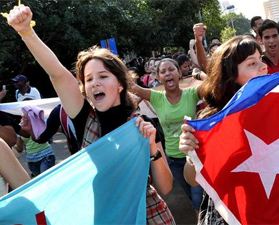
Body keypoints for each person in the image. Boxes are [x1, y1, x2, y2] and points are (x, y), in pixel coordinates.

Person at [7, 5, 174, 224]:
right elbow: (58, 75)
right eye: (88, 79)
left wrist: (152, 149)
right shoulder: (86, 119)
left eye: (103, 76)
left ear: (120, 84)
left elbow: (166, 186)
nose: (95, 83)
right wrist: (26, 32)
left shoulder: (141, 125)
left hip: (148, 216)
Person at [179, 35, 268, 224]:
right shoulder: (211, 122)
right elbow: (193, 180)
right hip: (228, 216)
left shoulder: (278, 110)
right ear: (231, 75)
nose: (263, 67)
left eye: (261, 60)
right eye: (252, 63)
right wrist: (191, 156)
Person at [131, 57, 204, 214]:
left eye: (171, 69)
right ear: (158, 78)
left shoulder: (191, 94)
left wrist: (198, 75)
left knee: (198, 200)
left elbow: (213, 83)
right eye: (163, 71)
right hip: (173, 160)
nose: (168, 73)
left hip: (193, 156)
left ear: (179, 72)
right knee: (192, 198)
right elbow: (132, 87)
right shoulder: (156, 97)